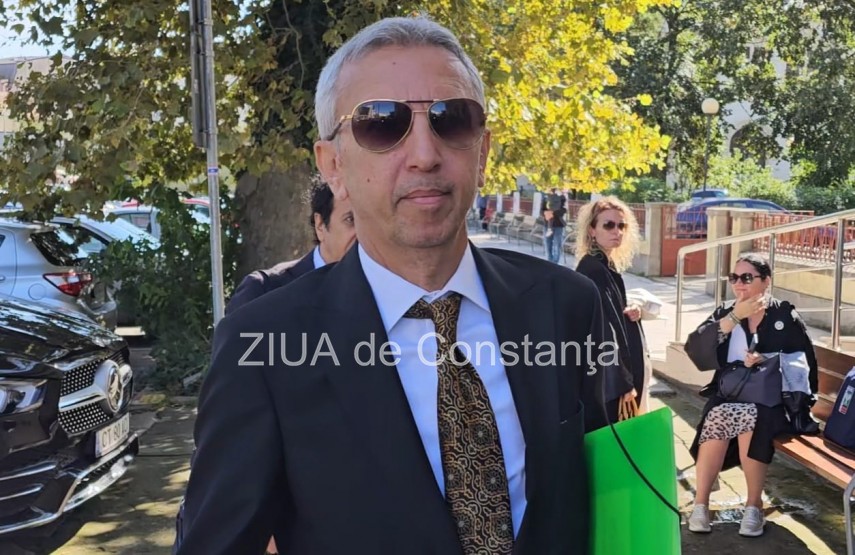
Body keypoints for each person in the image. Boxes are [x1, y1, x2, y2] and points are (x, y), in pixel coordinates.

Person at [176, 15, 606, 555]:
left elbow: (603, 500)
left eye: (452, 120)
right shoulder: (260, 346)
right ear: (333, 166)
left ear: (483, 152)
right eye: (381, 123)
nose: (425, 154)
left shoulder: (565, 304)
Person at [171, 181, 355, 555]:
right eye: (352, 220)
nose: (366, 236)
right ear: (320, 225)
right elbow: (230, 424)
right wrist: (262, 522)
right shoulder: (264, 295)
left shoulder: (383, 300)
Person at [684, 253, 818, 538]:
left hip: (774, 402)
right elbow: (695, 348)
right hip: (731, 395)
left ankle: (753, 506)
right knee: (717, 414)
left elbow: (804, 364)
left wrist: (767, 360)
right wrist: (734, 318)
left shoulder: (783, 315)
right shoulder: (726, 311)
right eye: (734, 277)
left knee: (750, 418)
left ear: (766, 281)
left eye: (747, 277)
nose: (739, 284)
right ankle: (701, 505)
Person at [226, 181, 356, 314]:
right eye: (351, 220)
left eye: (367, 220)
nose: (363, 233)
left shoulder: (369, 290)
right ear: (320, 225)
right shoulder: (263, 291)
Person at [574, 196, 647, 422]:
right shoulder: (594, 269)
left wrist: (631, 309)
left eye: (621, 225)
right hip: (606, 381)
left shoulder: (604, 265)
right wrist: (623, 382)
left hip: (607, 378)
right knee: (609, 437)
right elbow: (604, 331)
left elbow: (613, 315)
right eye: (608, 225)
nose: (617, 231)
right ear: (592, 230)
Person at [541, 188, 567, 264]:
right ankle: (549, 261)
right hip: (547, 225)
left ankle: (555, 262)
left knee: (557, 244)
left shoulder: (561, 197)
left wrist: (553, 213)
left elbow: (564, 210)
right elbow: (542, 209)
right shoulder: (546, 197)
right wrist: (546, 213)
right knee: (547, 244)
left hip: (558, 225)